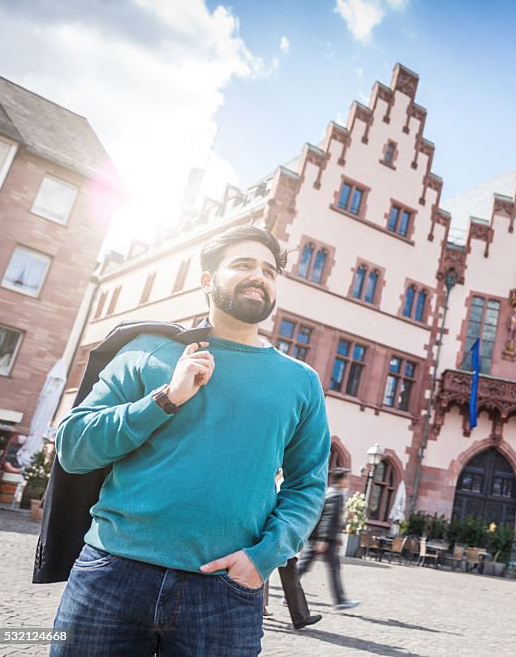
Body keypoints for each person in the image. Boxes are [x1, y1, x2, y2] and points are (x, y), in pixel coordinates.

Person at [50, 225, 331, 656]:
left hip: (224, 593)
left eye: (270, 270)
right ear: (207, 280)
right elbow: (74, 448)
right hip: (113, 573)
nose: (260, 275)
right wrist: (165, 398)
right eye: (243, 264)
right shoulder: (147, 351)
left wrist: (264, 558)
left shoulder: (301, 382)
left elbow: (307, 484)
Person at [263, 470, 321, 630]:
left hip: (279, 533)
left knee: (288, 571)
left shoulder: (285, 480)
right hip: (272, 533)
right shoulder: (278, 481)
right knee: (263, 570)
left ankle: (300, 616)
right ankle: (299, 616)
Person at [298, 467, 360, 611]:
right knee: (310, 567)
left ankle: (339, 600)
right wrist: (323, 539)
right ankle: (339, 601)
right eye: (347, 478)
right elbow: (328, 518)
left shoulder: (331, 493)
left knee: (307, 567)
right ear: (341, 480)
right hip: (322, 540)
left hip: (322, 539)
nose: (348, 481)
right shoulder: (335, 496)